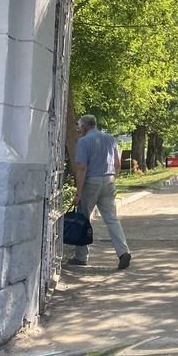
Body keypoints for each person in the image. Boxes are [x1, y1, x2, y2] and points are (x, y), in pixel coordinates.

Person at [68, 114, 132, 270]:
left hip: (91, 181)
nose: (79, 130)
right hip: (109, 180)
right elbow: (117, 164)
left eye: (79, 127)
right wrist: (112, 179)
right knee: (112, 218)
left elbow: (82, 168)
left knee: (83, 217)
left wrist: (79, 193)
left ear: (84, 127)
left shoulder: (84, 141)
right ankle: (123, 252)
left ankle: (81, 256)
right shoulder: (110, 139)